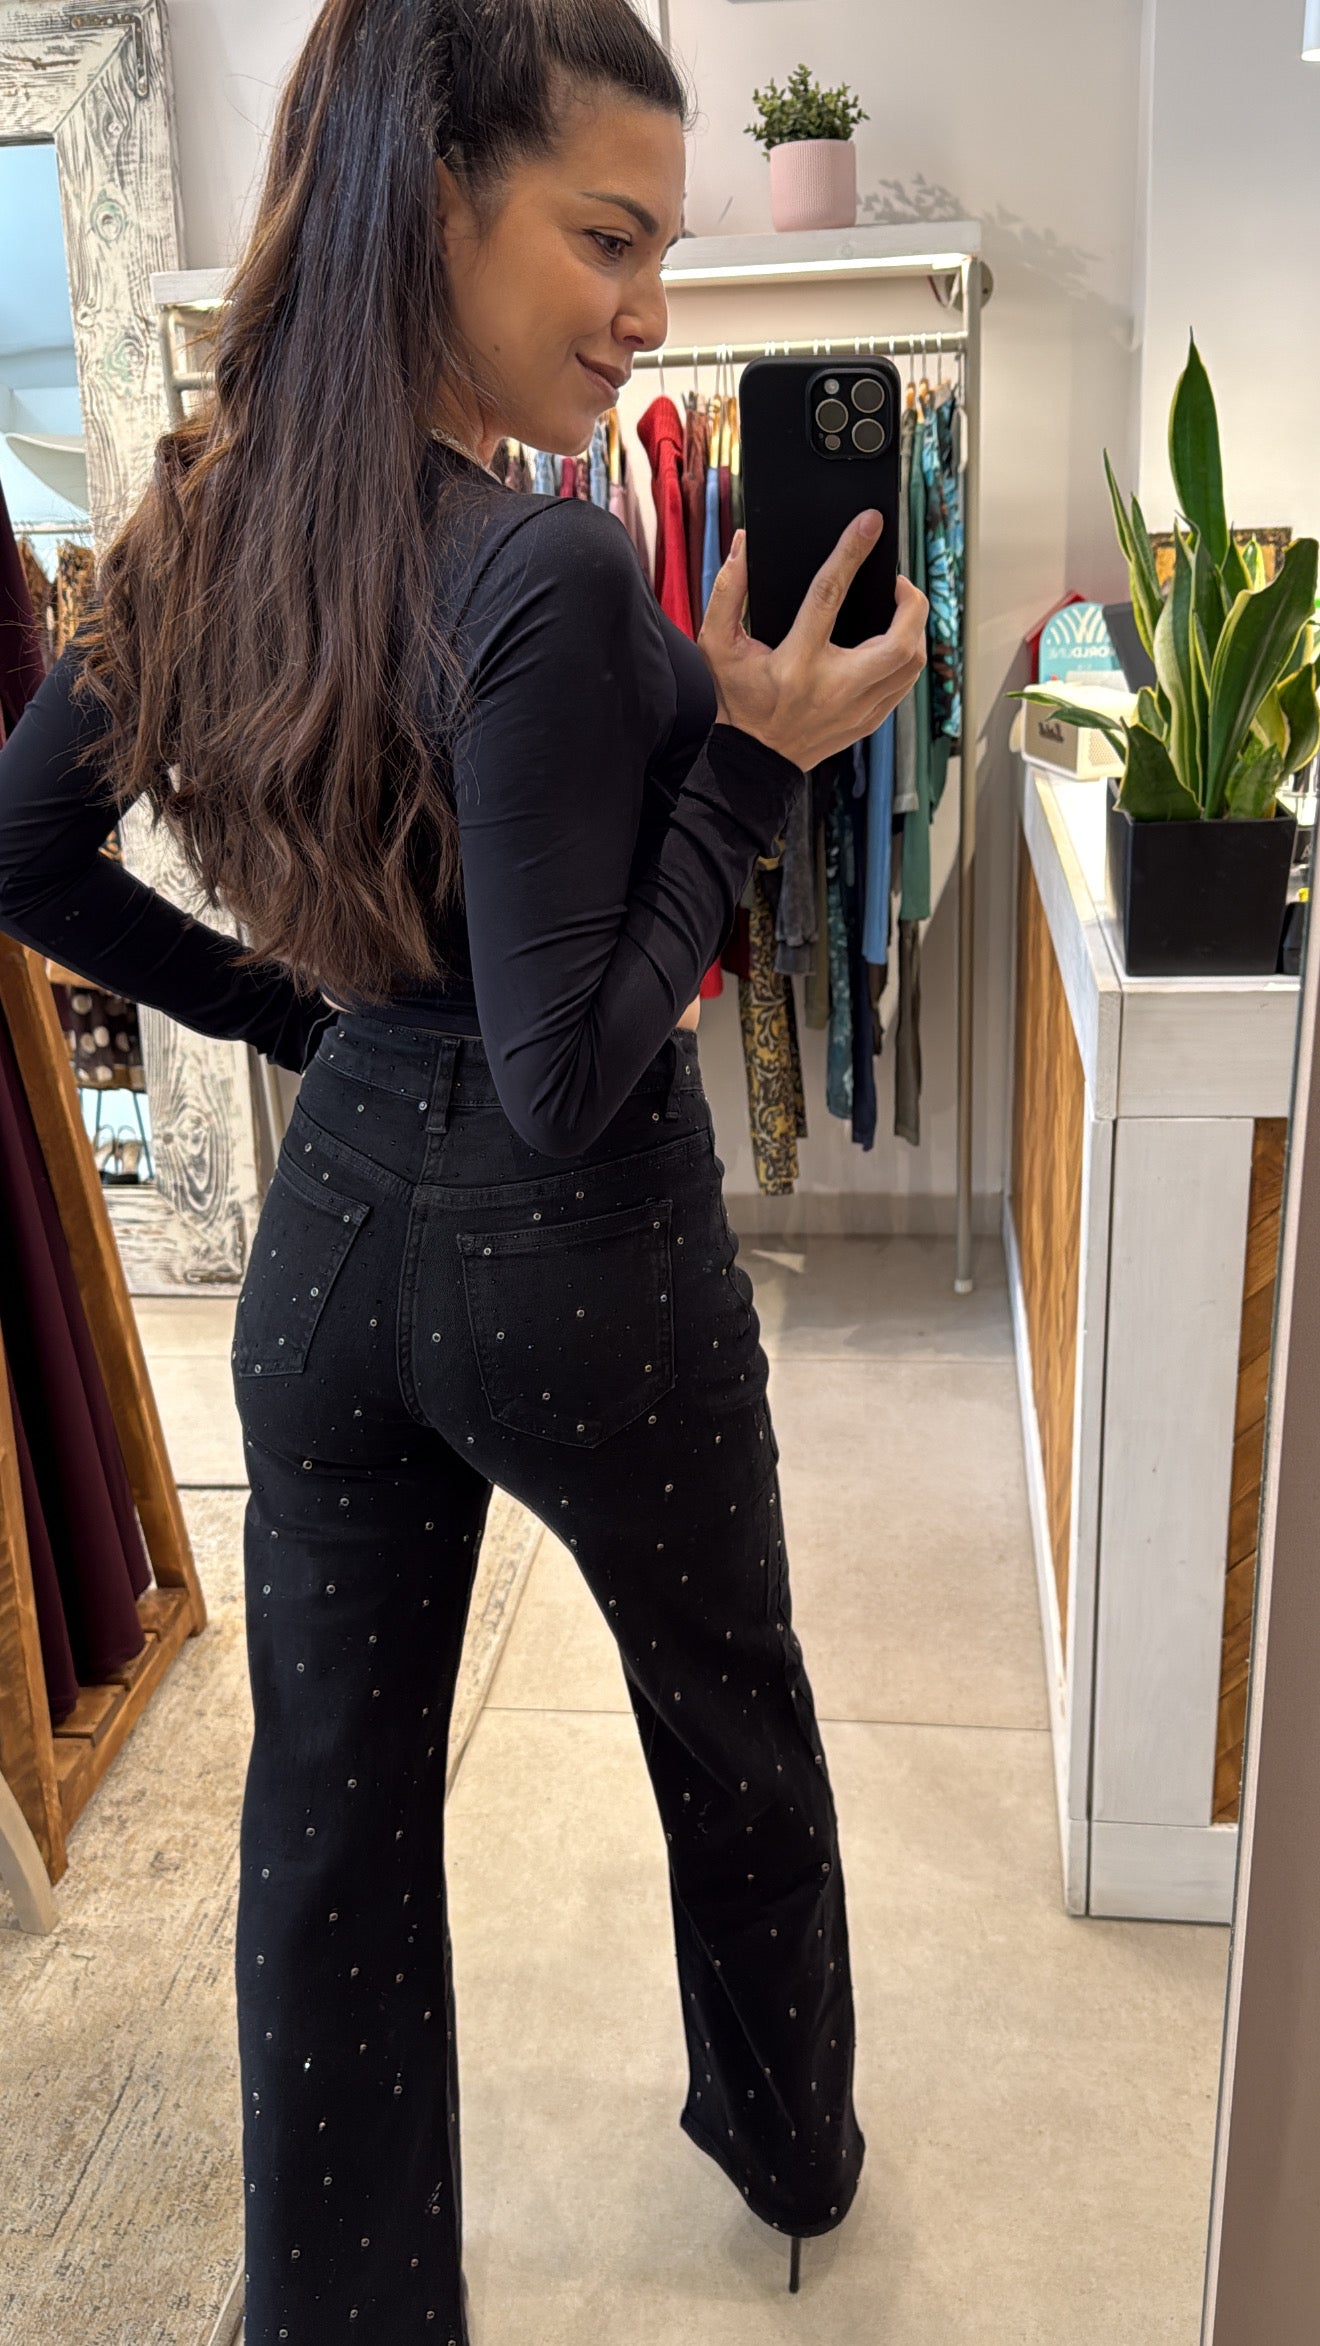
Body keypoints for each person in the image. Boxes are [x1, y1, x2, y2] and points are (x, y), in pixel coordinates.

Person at [0, 2, 928, 2337]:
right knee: (728, 1711)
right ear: (437, 201)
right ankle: (790, 2142)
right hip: (576, 1259)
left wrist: (289, 1021)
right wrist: (752, 758)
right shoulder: (549, 569)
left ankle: (340, 2308)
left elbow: (24, 851)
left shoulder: (204, 511)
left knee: (326, 1820)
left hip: (325, 1261)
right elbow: (568, 1069)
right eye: (610, 240)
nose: (649, 312)